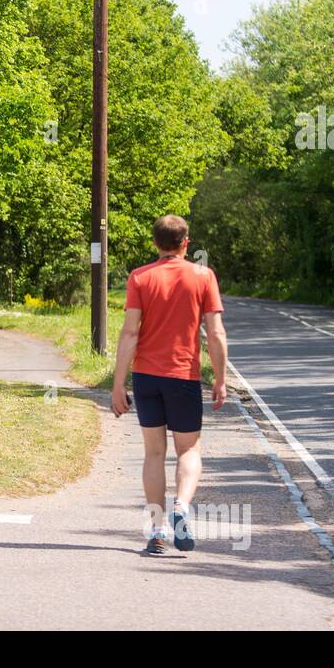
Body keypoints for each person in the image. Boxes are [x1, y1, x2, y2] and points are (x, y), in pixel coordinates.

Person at [110, 215, 228, 555]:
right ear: (186, 242)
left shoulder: (140, 277)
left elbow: (130, 332)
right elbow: (216, 333)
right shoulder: (203, 276)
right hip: (184, 376)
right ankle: (182, 508)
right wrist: (220, 379)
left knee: (153, 453)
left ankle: (157, 531)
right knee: (188, 450)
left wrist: (119, 383)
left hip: (146, 376)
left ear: (155, 243)